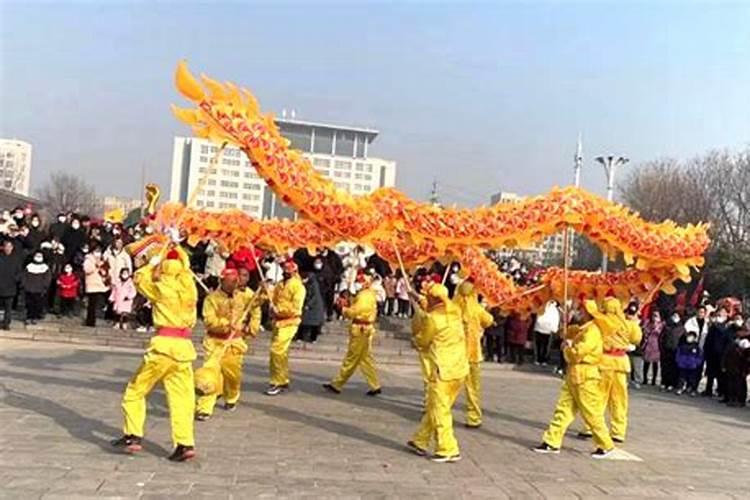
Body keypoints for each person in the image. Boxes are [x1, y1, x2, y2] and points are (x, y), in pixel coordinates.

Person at [111, 246, 199, 462]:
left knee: (135, 391)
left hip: (163, 347)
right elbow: (186, 268)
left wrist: (152, 262)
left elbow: (139, 279)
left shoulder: (162, 287)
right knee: (183, 401)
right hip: (184, 348)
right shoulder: (190, 288)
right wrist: (175, 246)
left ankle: (133, 435)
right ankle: (184, 443)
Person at [534, 301, 615, 458]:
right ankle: (552, 441)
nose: (578, 311)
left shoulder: (592, 331)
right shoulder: (583, 329)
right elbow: (567, 335)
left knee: (591, 412)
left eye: (581, 309)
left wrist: (568, 348)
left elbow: (579, 353)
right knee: (563, 409)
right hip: (574, 375)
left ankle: (605, 444)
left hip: (586, 376)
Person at [407, 283, 468, 463]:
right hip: (459, 369)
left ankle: (448, 448)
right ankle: (421, 440)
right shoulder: (455, 311)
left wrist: (415, 338)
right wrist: (417, 298)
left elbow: (423, 341)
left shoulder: (433, 319)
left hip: (442, 371)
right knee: (438, 406)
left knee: (440, 410)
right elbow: (433, 306)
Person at [195, 268, 262, 420]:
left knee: (233, 375)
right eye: (230, 281)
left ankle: (231, 396)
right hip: (214, 342)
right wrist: (225, 324)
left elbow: (256, 302)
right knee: (210, 374)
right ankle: (204, 407)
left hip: (234, 342)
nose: (234, 284)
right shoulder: (211, 299)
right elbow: (209, 320)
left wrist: (264, 289)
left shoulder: (244, 295)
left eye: (235, 281)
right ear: (222, 281)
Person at [581, 297, 642, 444]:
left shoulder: (600, 322)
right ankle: (618, 432)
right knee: (619, 400)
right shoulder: (629, 324)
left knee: (597, 398)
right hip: (620, 363)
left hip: (604, 362)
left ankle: (590, 427)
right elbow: (637, 339)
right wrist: (634, 322)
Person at [323, 271, 381, 395]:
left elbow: (355, 311)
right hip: (363, 328)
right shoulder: (366, 294)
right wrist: (350, 300)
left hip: (361, 329)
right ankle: (375, 385)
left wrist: (343, 309)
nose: (358, 284)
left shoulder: (365, 296)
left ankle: (337, 384)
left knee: (352, 358)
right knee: (365, 358)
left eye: (360, 281)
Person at [453, 279, 494, 428]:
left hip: (455, 353)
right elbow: (489, 321)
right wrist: (487, 308)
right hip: (472, 354)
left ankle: (438, 410)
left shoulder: (453, 308)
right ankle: (473, 417)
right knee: (473, 389)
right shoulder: (477, 310)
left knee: (449, 386)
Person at [266, 259, 306, 396]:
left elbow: (296, 308)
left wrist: (280, 310)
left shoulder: (298, 287)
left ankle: (278, 381)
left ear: (295, 272)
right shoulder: (280, 284)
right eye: (284, 270)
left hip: (290, 322)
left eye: (289, 271)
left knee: (276, 350)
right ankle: (280, 378)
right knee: (280, 353)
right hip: (278, 322)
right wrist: (267, 291)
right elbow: (274, 298)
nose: (286, 272)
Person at [702, 308, 731, 398]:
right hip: (711, 353)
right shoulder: (713, 326)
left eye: (723, 313)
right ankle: (708, 390)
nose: (720, 315)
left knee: (720, 374)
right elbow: (708, 340)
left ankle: (720, 390)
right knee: (710, 373)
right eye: (719, 313)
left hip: (722, 353)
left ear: (726, 315)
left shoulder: (728, 326)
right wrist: (706, 350)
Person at [83, 243, 110, 327]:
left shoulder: (103, 260)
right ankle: (90, 321)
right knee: (92, 304)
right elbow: (87, 270)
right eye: (96, 251)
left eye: (99, 251)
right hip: (92, 284)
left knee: (101, 302)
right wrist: (95, 265)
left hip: (101, 284)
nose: (98, 253)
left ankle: (105, 316)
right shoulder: (88, 259)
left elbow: (106, 270)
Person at [23, 251, 52, 324]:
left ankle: (34, 317)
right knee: (29, 304)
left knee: (37, 304)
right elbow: (24, 277)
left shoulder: (45, 267)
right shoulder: (29, 266)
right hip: (29, 289)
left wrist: (45, 287)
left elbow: (47, 279)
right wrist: (24, 285)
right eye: (37, 256)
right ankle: (28, 317)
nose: (38, 257)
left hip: (39, 289)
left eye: (40, 256)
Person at [0, 240, 23, 330]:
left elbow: (19, 272)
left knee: (8, 308)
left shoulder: (16, 258)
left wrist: (15, 279)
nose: (7, 248)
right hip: (0, 285)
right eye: (6, 246)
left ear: (12, 247)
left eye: (9, 246)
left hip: (10, 286)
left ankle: (6, 323)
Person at [297, 271, 325, 343]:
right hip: (309, 305)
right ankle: (300, 337)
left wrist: (308, 305)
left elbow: (315, 297)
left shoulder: (314, 285)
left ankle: (312, 338)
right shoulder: (307, 284)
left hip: (314, 307)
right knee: (302, 322)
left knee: (313, 323)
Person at [659, 312, 685, 391]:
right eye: (674, 316)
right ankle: (664, 382)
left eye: (677, 316)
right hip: (666, 350)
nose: (675, 317)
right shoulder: (667, 327)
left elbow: (683, 341)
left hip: (676, 351)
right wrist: (661, 348)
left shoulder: (682, 329)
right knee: (664, 367)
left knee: (673, 368)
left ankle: (672, 383)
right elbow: (661, 338)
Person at [721, 334, 749, 407]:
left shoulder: (747, 352)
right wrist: (724, 366)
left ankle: (740, 400)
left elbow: (747, 363)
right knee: (731, 385)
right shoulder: (732, 348)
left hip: (741, 371)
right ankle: (732, 399)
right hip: (732, 369)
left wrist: (746, 372)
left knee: (740, 386)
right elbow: (725, 356)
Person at [533, 300, 560, 366]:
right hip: (541, 329)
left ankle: (542, 359)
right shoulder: (543, 306)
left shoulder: (554, 310)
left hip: (546, 330)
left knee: (543, 346)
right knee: (541, 346)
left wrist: (554, 328)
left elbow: (555, 319)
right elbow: (538, 316)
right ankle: (540, 359)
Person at [675, 331, 703, 396]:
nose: (689, 338)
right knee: (681, 377)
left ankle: (692, 389)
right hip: (683, 364)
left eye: (691, 337)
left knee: (692, 379)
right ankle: (680, 388)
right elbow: (678, 354)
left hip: (692, 365)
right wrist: (678, 361)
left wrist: (697, 363)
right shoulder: (682, 346)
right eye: (688, 337)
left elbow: (700, 356)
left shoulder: (696, 347)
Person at [641, 310, 664, 386]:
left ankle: (654, 379)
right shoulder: (647, 323)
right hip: (648, 343)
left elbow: (660, 333)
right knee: (646, 362)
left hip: (656, 344)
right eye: (654, 315)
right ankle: (645, 378)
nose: (655, 317)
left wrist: (656, 326)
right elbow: (644, 331)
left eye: (656, 315)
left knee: (655, 363)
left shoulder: (661, 324)